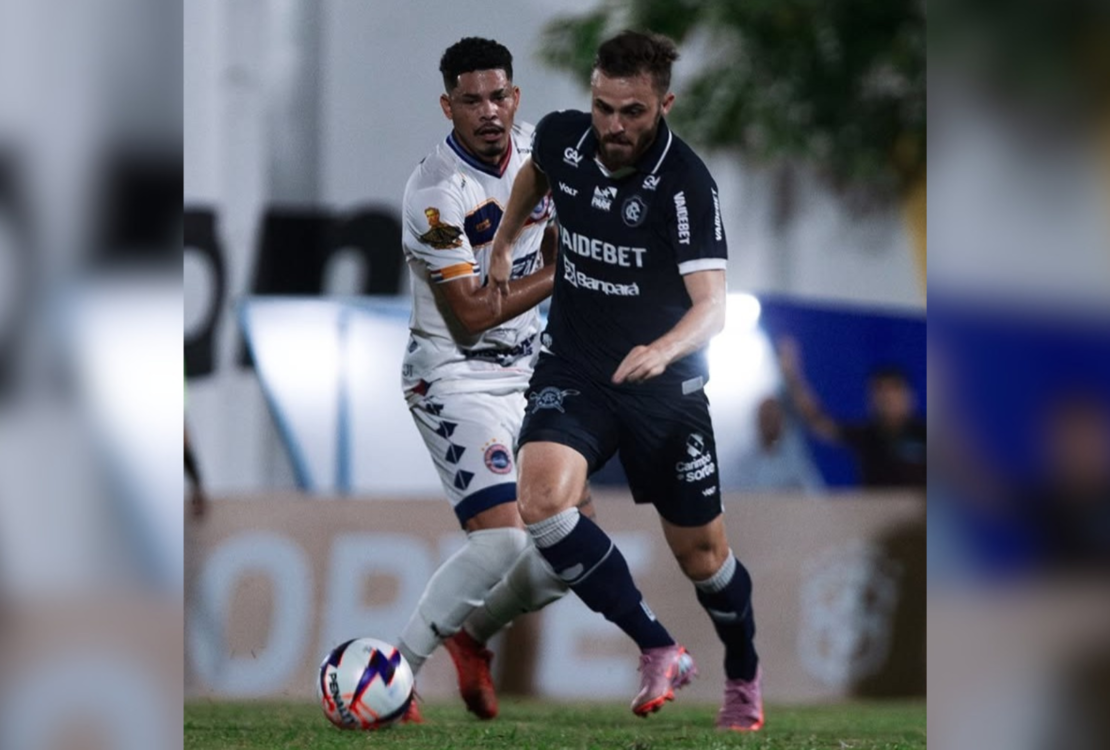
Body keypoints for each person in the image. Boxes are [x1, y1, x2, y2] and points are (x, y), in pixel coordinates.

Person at [489, 31, 763, 731]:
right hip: (576, 368)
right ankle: (657, 646)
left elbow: (713, 307)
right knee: (542, 502)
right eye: (604, 108)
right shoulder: (563, 137)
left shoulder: (686, 185)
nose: (613, 125)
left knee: (704, 559)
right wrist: (505, 242)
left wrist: (663, 350)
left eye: (632, 112)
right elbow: (535, 175)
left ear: (664, 105)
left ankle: (742, 673)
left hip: (663, 391)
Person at [397, 37, 589, 722]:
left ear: (516, 97)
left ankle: (473, 637)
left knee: (572, 550)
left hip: (530, 371)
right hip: (455, 375)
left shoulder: (544, 153)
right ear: (447, 106)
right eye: (470, 100)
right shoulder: (434, 194)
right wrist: (565, 270)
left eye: (498, 95)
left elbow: (569, 230)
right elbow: (473, 315)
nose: (488, 111)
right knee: (504, 539)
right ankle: (395, 675)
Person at [777, 336, 927, 489]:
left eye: (894, 393)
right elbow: (818, 422)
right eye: (881, 394)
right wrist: (792, 376)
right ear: (871, 399)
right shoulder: (867, 436)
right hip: (874, 504)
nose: (888, 400)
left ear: (909, 397)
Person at [733, 395, 825, 493]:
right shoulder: (744, 459)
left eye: (772, 418)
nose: (769, 424)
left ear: (781, 421)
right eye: (765, 418)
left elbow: (813, 490)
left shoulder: (797, 457)